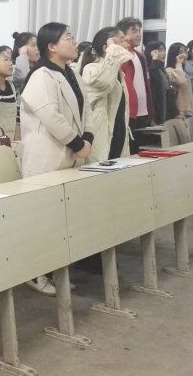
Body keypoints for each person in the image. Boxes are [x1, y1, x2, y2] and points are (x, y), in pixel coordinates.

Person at [20, 22, 94, 295]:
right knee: (43, 220)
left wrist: (88, 139)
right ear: (51, 46)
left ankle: (55, 272)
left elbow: (86, 111)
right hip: (47, 158)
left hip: (72, 155)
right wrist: (78, 143)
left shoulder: (71, 73)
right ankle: (36, 273)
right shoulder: (41, 75)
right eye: (68, 38)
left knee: (63, 221)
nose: (74, 42)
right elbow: (50, 116)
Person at [78, 27, 132, 162]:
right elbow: (105, 83)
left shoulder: (118, 72)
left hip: (118, 130)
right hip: (100, 133)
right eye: (121, 41)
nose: (127, 44)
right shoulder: (92, 68)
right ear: (106, 47)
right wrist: (112, 51)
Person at [116, 17, 153, 153]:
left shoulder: (140, 56)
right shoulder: (121, 56)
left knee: (140, 150)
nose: (139, 34)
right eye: (134, 31)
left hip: (143, 109)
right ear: (123, 35)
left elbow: (146, 84)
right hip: (129, 111)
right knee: (128, 150)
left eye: (139, 31)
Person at [165, 43, 193, 120]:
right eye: (181, 52)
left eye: (186, 52)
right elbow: (180, 81)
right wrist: (178, 63)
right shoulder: (169, 71)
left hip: (188, 113)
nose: (184, 55)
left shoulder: (182, 71)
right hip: (178, 113)